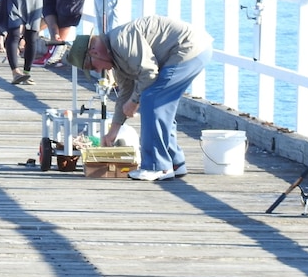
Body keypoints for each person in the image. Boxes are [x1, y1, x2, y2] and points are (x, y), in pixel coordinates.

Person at [69, 15, 213, 182]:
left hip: (189, 48)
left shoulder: (121, 41)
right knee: (160, 107)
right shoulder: (115, 58)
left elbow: (149, 73)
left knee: (151, 101)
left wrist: (135, 101)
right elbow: (125, 93)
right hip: (192, 50)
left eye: (92, 66)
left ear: (94, 52)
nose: (98, 71)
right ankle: (175, 162)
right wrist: (113, 131)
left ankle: (157, 166)